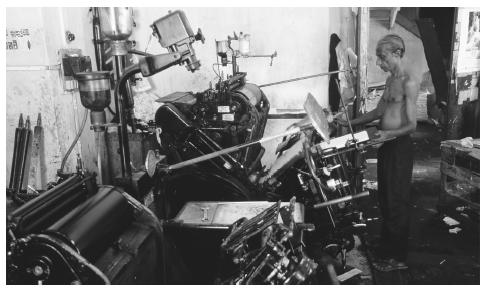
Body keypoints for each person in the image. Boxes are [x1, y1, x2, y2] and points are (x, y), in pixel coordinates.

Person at [336, 34, 418, 272]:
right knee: (384, 199)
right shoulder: (391, 79)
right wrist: (350, 122)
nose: (379, 64)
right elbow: (377, 112)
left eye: (382, 58)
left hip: (399, 147)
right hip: (387, 145)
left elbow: (412, 125)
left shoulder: (408, 81)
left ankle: (398, 258)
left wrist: (389, 135)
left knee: (397, 202)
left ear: (397, 53)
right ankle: (386, 248)